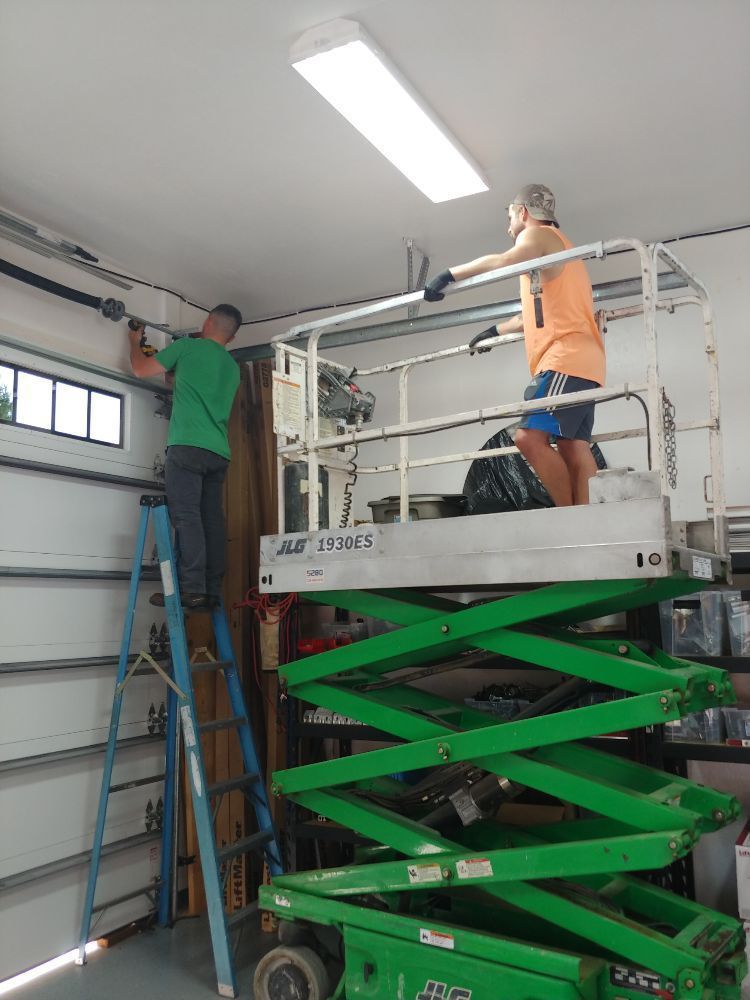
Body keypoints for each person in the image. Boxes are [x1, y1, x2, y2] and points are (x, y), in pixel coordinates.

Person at [424, 184, 604, 507]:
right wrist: (493, 331)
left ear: (523, 213)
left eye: (510, 216)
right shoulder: (557, 252)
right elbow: (532, 317)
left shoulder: (539, 236)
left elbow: (504, 260)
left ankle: (571, 517)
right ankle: (590, 516)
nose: (509, 227)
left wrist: (449, 275)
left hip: (565, 357)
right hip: (586, 361)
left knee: (528, 438)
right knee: (573, 446)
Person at [128, 304, 242, 608]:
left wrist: (134, 341)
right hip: (218, 452)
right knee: (211, 520)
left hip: (187, 447)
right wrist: (174, 374)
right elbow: (185, 384)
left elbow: (140, 369)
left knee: (187, 517)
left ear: (207, 322)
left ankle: (191, 589)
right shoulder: (232, 367)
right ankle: (212, 590)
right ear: (230, 337)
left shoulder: (188, 347)